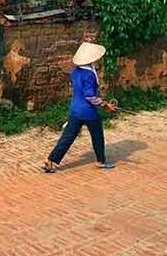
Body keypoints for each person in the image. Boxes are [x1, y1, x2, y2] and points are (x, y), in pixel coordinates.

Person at [43, 41, 116, 173]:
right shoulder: (90, 75)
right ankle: (100, 160)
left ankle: (51, 160)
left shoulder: (75, 72)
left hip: (75, 109)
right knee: (97, 136)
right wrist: (105, 105)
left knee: (67, 137)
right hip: (88, 112)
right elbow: (90, 96)